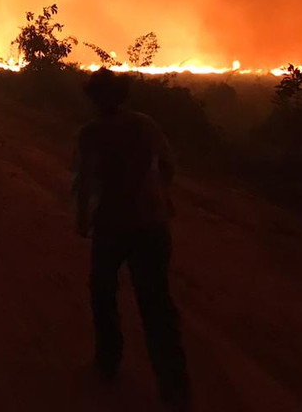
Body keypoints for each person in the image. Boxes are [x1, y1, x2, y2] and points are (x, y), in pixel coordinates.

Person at [73, 68, 191, 410]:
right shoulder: (145, 124)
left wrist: (82, 221)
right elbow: (168, 165)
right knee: (156, 304)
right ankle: (174, 385)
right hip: (152, 224)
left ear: (94, 99)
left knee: (103, 292)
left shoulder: (90, 133)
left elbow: (84, 184)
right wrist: (158, 194)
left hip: (112, 225)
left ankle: (109, 362)